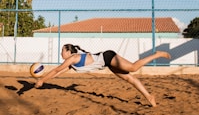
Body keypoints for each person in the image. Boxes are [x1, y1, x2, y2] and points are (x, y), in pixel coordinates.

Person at [35, 44, 171, 107]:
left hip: (108, 56)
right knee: (130, 79)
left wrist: (42, 80)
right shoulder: (72, 63)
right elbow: (57, 73)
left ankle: (157, 54)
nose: (61, 53)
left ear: (68, 51)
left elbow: (56, 70)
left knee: (133, 68)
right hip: (107, 62)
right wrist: (44, 80)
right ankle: (149, 96)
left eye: (62, 51)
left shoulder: (72, 59)